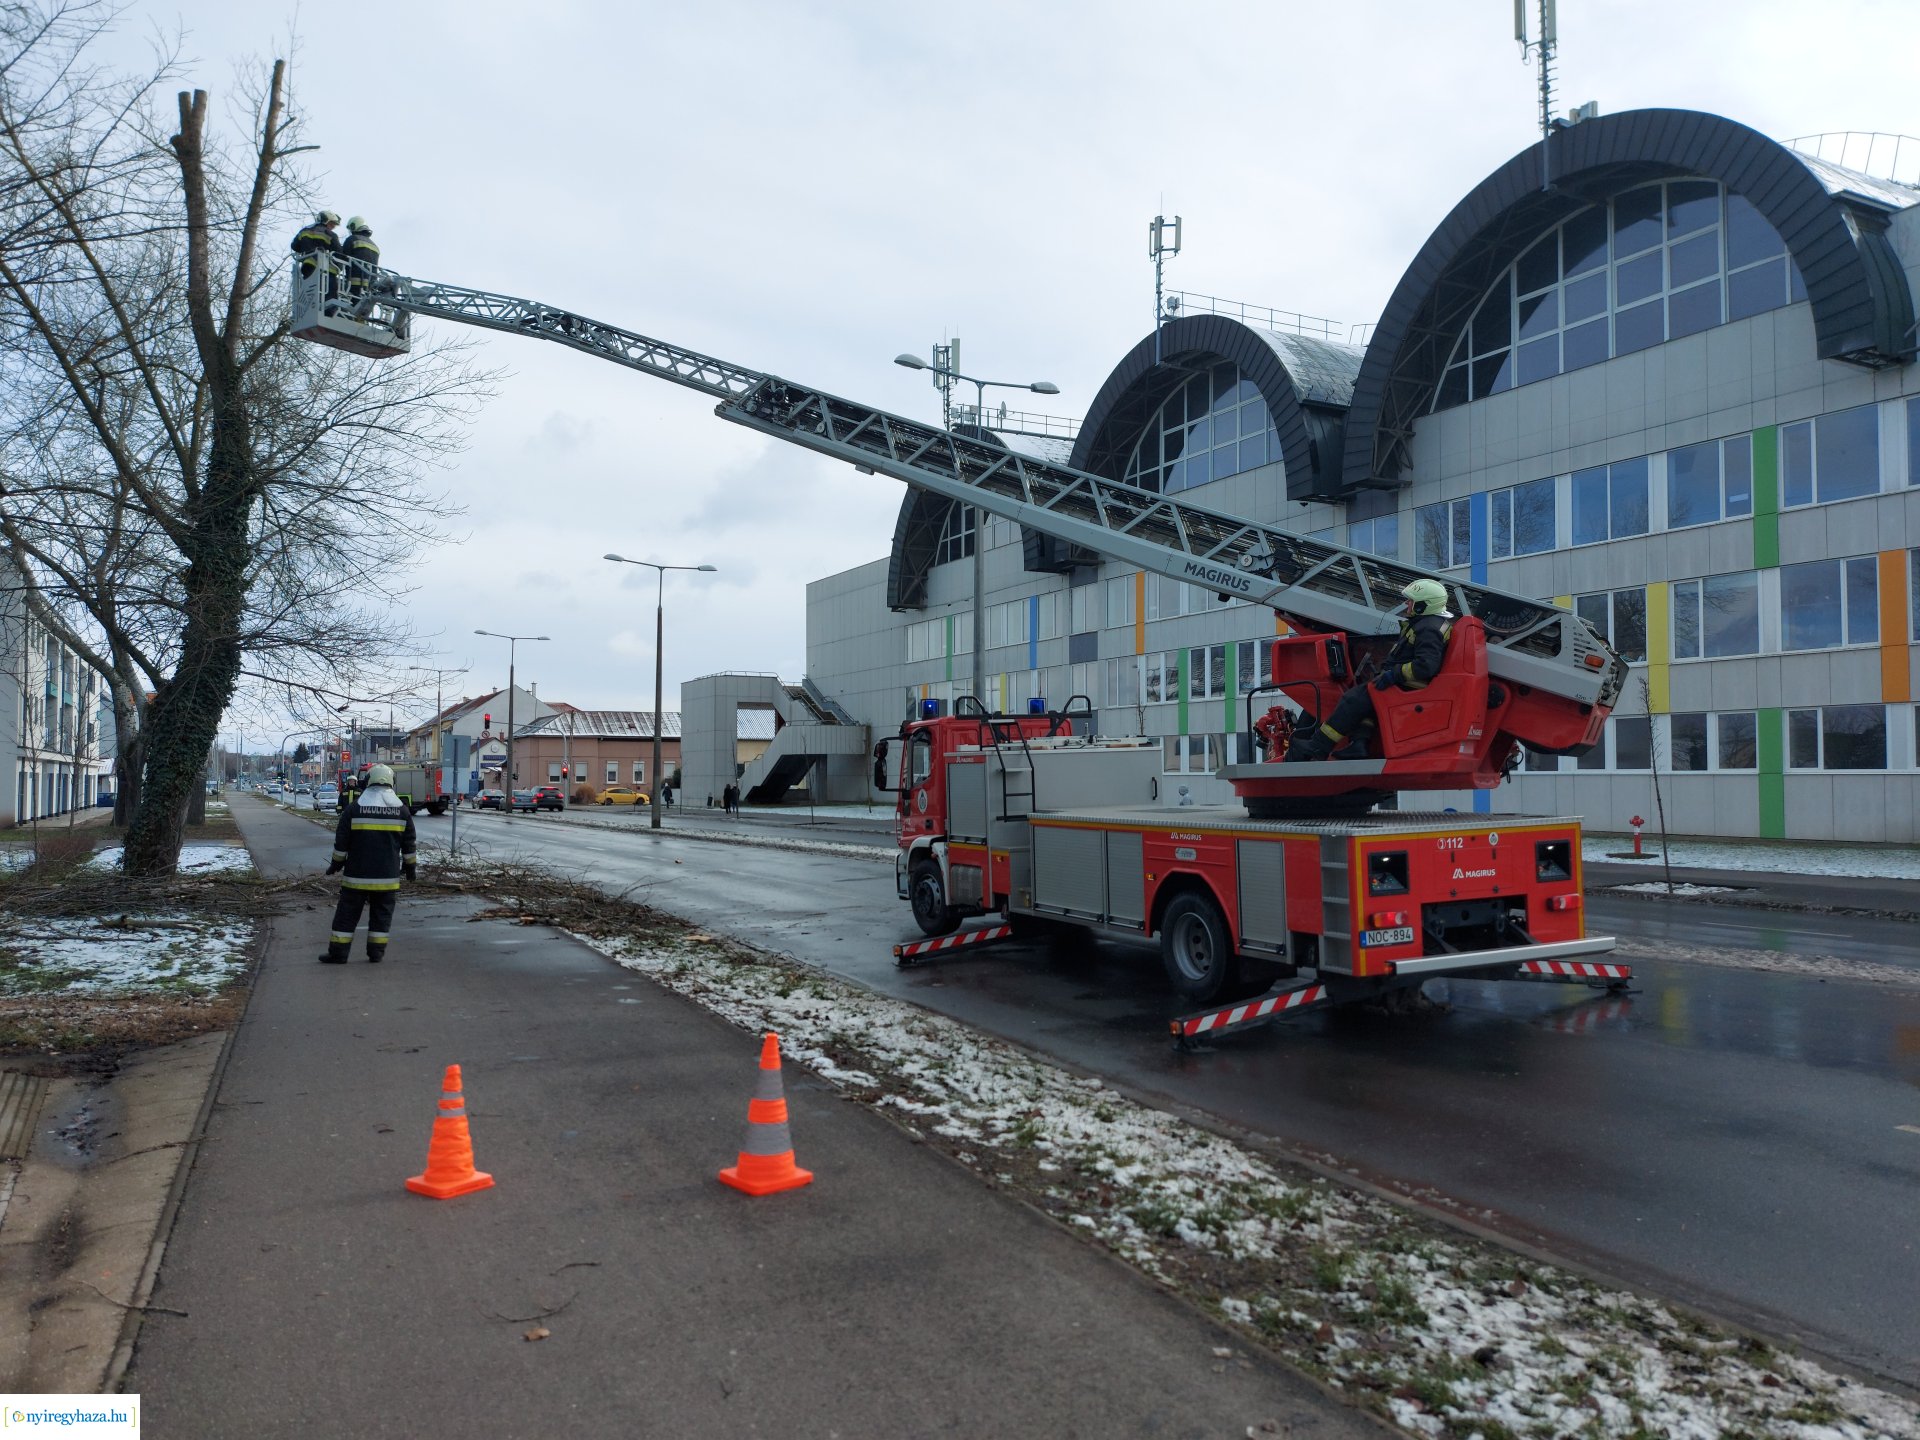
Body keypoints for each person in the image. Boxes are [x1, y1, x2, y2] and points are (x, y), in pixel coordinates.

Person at [1287, 578, 1455, 762]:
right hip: (1405, 683)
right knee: (1364, 700)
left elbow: (1426, 666)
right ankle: (1358, 744)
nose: (1406, 603)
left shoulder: (1428, 628)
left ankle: (1317, 747)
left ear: (1423, 605)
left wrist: (1394, 674)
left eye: (1411, 601)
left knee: (1351, 700)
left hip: (1409, 685)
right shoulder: (1427, 624)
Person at [321, 763, 417, 964]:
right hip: (387, 878)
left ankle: (338, 954)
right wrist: (410, 867)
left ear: (367, 781)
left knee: (347, 915)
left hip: (357, 876)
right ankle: (376, 953)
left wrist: (336, 864)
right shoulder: (402, 811)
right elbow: (409, 844)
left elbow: (342, 842)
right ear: (392, 783)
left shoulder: (354, 809)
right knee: (382, 916)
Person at [290, 210, 342, 298]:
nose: (333, 226)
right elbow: (339, 252)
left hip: (308, 268)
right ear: (325, 220)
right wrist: (339, 267)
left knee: (310, 295)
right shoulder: (330, 235)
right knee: (329, 298)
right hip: (326, 271)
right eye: (332, 223)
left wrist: (305, 249)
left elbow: (294, 246)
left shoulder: (304, 231)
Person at [341, 216, 380, 308]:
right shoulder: (375, 246)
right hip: (369, 285)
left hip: (354, 281)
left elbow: (342, 257)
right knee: (361, 308)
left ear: (355, 226)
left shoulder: (352, 239)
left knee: (353, 306)